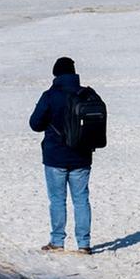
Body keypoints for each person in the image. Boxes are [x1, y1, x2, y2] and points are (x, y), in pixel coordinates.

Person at [29, 56, 93, 254]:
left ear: (56, 74)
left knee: (58, 200)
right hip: (82, 155)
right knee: (81, 200)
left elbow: (35, 124)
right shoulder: (88, 94)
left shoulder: (50, 95)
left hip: (55, 156)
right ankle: (84, 244)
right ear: (74, 73)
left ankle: (57, 241)